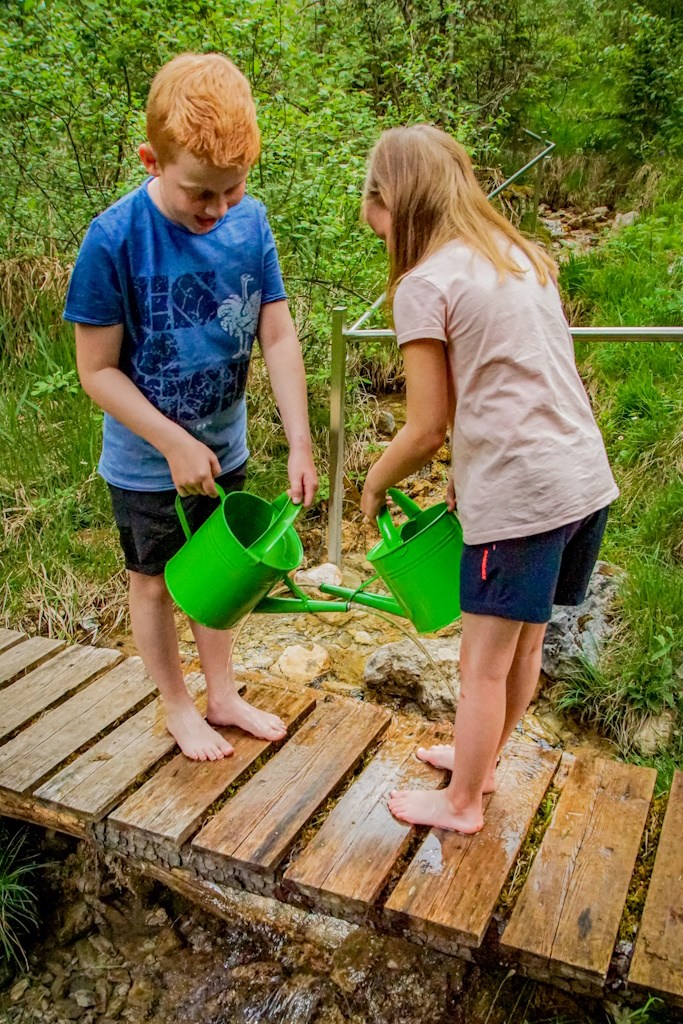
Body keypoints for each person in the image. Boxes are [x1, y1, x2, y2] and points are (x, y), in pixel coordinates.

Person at [360, 125, 618, 834]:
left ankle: (462, 800)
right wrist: (462, 477)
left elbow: (424, 427)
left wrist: (375, 482)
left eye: (375, 223)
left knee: (478, 663)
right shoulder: (516, 256)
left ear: (395, 202)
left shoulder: (424, 284)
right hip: (579, 480)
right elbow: (509, 387)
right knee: (523, 647)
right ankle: (483, 762)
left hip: (521, 495)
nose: (380, 240)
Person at [64, 53, 317, 762]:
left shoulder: (250, 222)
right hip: (148, 462)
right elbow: (96, 371)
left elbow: (277, 331)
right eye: (198, 193)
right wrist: (171, 441)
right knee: (153, 582)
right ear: (151, 159)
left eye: (231, 191)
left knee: (221, 576)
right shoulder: (114, 239)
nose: (215, 210)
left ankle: (223, 693)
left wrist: (299, 440)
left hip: (225, 449)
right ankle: (176, 705)